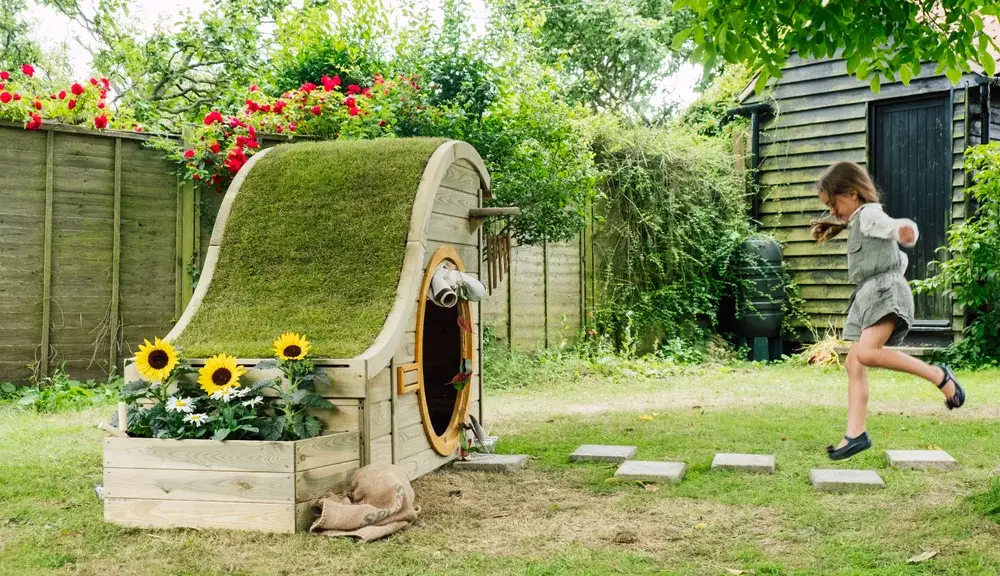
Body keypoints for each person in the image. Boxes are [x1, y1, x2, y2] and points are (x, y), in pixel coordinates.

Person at [810, 161, 966, 460]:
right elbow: (859, 226)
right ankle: (856, 434)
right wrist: (833, 222)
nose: (832, 210)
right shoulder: (857, 218)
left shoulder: (869, 213)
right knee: (854, 363)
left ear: (853, 193)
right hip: (867, 295)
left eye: (833, 203)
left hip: (884, 291)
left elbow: (889, 225)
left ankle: (940, 376)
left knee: (867, 354)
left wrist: (903, 231)